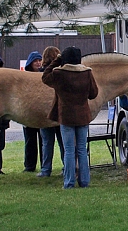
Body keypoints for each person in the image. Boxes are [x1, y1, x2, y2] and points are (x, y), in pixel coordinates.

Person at [42, 46, 98, 189]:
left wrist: (56, 61)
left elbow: (45, 76)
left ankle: (69, 182)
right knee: (81, 149)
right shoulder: (87, 73)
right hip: (83, 115)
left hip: (66, 116)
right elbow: (93, 94)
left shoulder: (59, 73)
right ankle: (84, 182)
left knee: (69, 150)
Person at [37, 46, 65, 177]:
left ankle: (45, 169)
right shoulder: (59, 72)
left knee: (47, 143)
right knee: (62, 142)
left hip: (44, 112)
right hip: (58, 111)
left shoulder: (40, 73)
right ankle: (66, 166)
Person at [22, 50, 43, 172]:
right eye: (36, 61)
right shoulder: (25, 77)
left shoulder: (44, 74)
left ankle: (44, 164)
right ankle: (29, 165)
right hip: (29, 112)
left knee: (43, 141)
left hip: (40, 113)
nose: (38, 63)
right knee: (30, 141)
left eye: (39, 60)